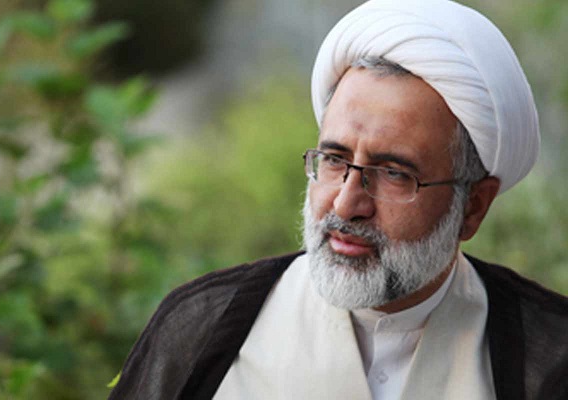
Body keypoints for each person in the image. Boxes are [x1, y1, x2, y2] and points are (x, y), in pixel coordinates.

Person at [108, 1, 568, 399]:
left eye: (394, 173)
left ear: (473, 207)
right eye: (333, 159)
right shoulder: (205, 331)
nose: (347, 205)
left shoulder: (549, 360)